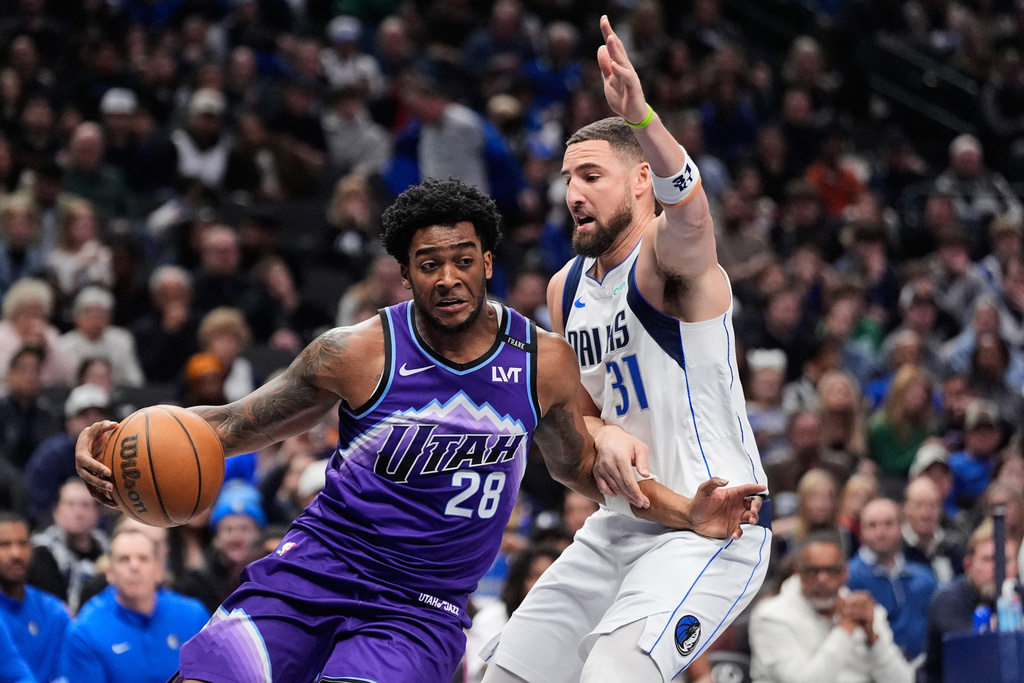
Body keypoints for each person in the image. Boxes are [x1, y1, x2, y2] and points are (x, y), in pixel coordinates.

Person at [75, 176, 763, 683]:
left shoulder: (541, 363)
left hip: (420, 607)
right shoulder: (355, 353)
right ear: (404, 274)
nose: (448, 277)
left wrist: (686, 512)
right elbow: (227, 426)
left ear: (487, 262)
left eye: (463, 258)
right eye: (428, 264)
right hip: (316, 568)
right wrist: (117, 444)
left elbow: (585, 469)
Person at [482, 17, 770, 683]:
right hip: (620, 522)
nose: (573, 193)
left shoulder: (666, 262)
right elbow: (576, 428)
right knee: (507, 675)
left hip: (715, 522)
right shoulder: (564, 289)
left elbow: (692, 212)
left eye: (591, 175)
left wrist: (641, 116)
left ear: (642, 179)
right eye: (567, 178)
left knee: (614, 672)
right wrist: (600, 432)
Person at [748, 531, 913, 683]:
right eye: (813, 571)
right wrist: (845, 628)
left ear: (845, 573)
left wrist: (873, 639)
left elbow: (904, 681)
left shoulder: (862, 611)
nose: (823, 580)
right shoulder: (770, 617)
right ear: (799, 573)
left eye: (832, 570)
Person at [58, 527, 209, 683]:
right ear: (109, 572)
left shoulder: (193, 616)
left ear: (159, 570)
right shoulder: (85, 631)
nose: (134, 567)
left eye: (143, 558)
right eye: (124, 559)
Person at [921, 518, 1021, 683]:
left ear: (1016, 567)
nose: (998, 569)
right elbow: (979, 651)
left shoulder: (1019, 596)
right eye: (989, 560)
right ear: (968, 565)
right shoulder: (947, 600)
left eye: (1005, 560)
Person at [846, 498, 937, 661]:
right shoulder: (848, 577)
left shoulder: (924, 577)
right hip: (870, 666)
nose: (880, 533)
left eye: (888, 524)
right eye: (872, 525)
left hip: (922, 665)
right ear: (861, 531)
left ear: (901, 526)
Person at [0, 512, 70, 683]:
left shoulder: (54, 611)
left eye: (23, 543)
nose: (16, 554)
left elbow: (68, 671)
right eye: (4, 545)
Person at [27, 478, 109, 615]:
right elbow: (51, 607)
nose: (78, 513)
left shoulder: (109, 547)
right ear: (56, 511)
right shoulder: (41, 550)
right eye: (70, 504)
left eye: (85, 505)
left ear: (97, 513)